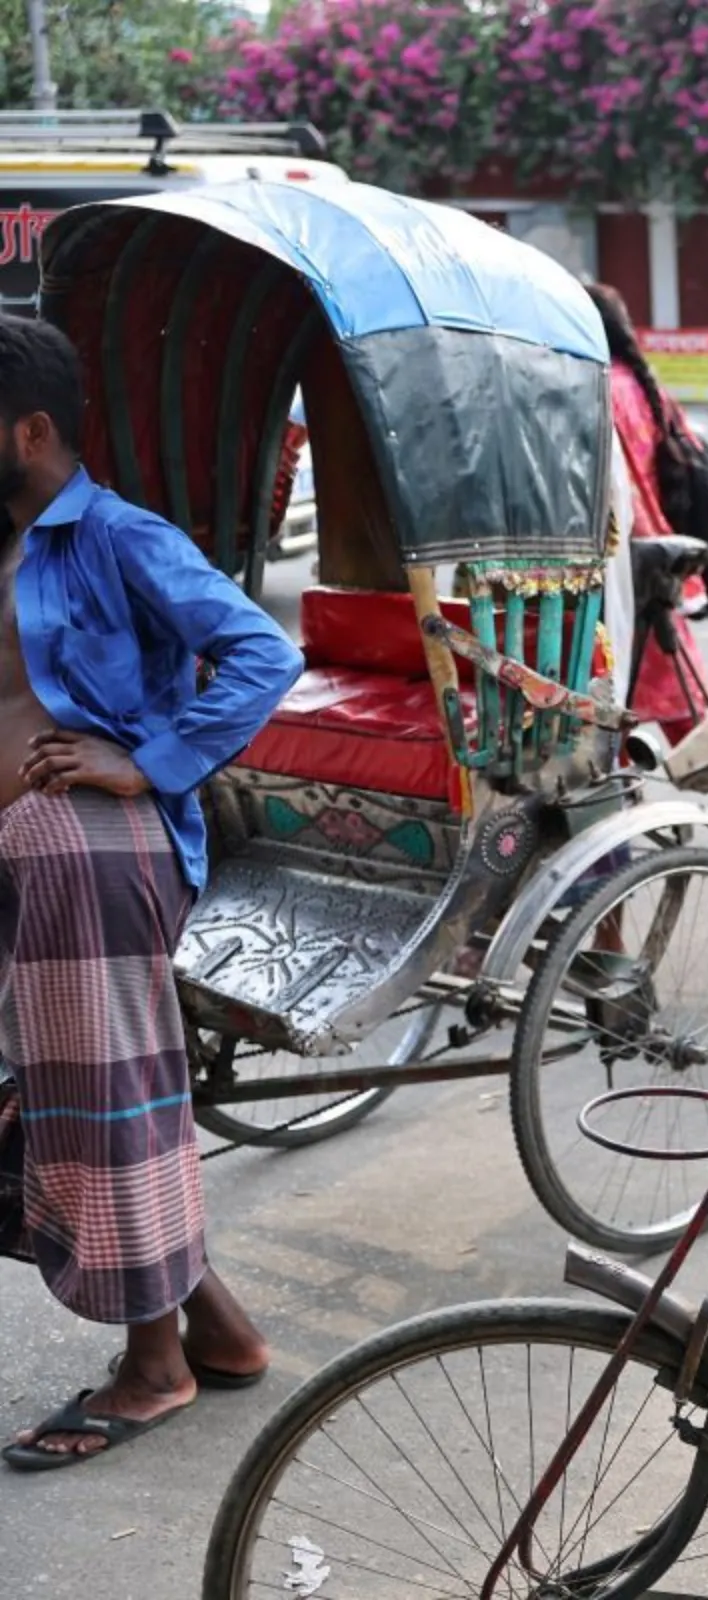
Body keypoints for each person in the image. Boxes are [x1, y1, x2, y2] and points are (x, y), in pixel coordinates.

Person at [0, 315, 300, 1469]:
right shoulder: (8, 539)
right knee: (38, 1115)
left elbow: (262, 654)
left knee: (104, 1110)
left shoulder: (117, 537)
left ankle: (156, 1365)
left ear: (29, 430)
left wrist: (150, 759)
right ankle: (215, 1331)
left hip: (99, 856)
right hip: (25, 852)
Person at [587, 283, 708, 746]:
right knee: (679, 698)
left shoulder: (596, 389)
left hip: (624, 560)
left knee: (608, 688)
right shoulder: (645, 387)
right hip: (659, 551)